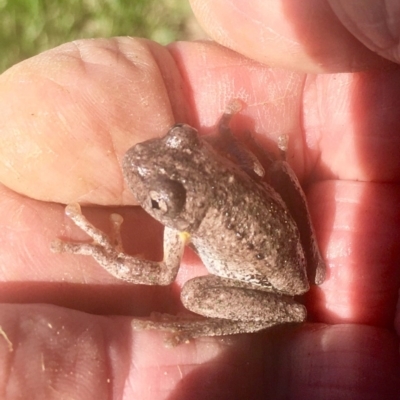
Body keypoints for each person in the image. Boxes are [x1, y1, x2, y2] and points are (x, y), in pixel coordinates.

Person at [0, 0, 399, 398]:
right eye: (180, 136)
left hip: (269, 279)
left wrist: (104, 251)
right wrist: (228, 138)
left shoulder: (186, 221)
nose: (142, 157)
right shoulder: (217, 166)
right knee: (272, 172)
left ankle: (206, 324)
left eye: (158, 203)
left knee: (193, 294)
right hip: (291, 255)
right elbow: (255, 174)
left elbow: (160, 275)